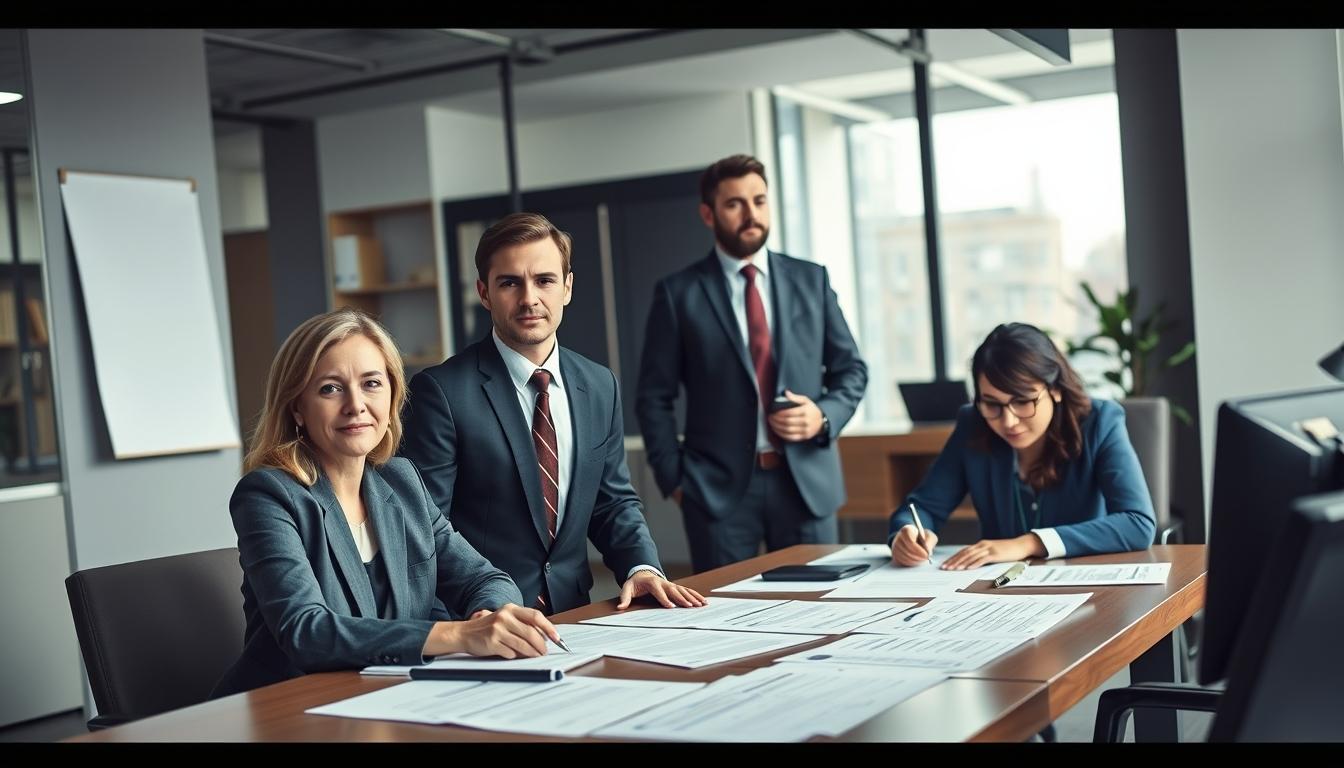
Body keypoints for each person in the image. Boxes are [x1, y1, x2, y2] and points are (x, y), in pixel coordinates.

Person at [212, 309, 557, 698]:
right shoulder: (268, 495)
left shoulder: (401, 481)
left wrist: (487, 618)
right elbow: (307, 632)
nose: (356, 405)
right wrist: (460, 635)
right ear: (297, 407)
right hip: (290, 706)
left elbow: (486, 579)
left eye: (371, 383)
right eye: (330, 388)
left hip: (388, 697)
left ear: (392, 395)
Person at [401, 212, 705, 615]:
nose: (529, 298)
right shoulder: (440, 392)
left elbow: (612, 502)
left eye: (544, 280)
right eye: (510, 283)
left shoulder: (600, 385)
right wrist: (463, 624)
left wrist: (641, 566)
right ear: (484, 293)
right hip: (483, 619)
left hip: (573, 614)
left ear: (567, 287)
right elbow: (426, 530)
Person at [636, 154, 868, 573]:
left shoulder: (811, 280)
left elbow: (851, 370)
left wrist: (823, 416)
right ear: (708, 214)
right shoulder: (678, 294)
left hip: (807, 485)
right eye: (734, 204)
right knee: (727, 608)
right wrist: (676, 480)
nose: (751, 215)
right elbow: (654, 397)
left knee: (822, 605)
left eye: (759, 201)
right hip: (716, 493)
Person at [888, 322, 1156, 570]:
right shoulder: (973, 423)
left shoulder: (1100, 421)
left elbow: (1137, 523)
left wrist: (1029, 543)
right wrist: (907, 533)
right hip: (997, 590)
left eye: (1023, 401)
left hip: (1086, 582)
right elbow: (923, 507)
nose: (1009, 421)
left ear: (1056, 389)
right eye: (992, 404)